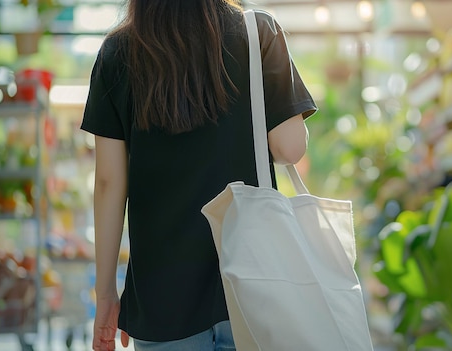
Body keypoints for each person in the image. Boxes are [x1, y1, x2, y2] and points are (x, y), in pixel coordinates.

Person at [80, 1, 317, 350]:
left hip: (161, 298)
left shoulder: (118, 53)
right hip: (252, 284)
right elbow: (290, 148)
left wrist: (106, 295)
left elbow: (108, 184)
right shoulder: (257, 33)